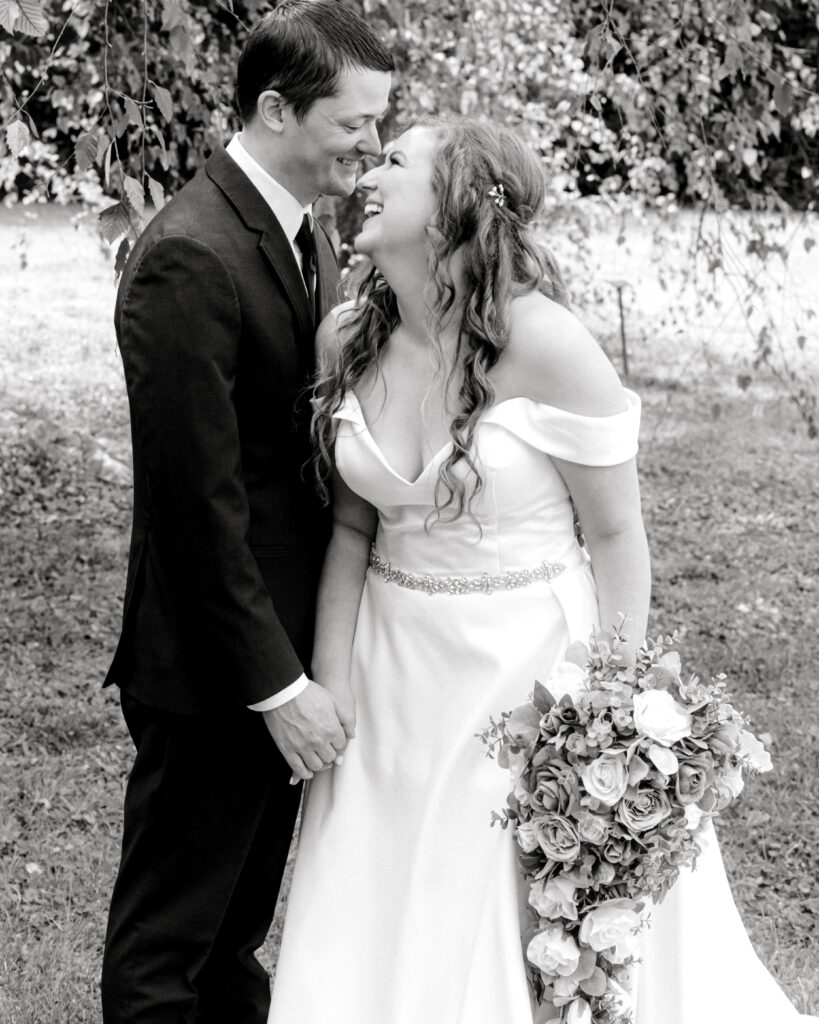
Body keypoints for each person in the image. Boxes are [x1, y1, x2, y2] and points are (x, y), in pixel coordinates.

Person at [267, 117, 818, 1023]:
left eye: (394, 161)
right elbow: (351, 529)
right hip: (391, 666)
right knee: (383, 892)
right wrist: (333, 680)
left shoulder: (547, 344)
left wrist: (607, 714)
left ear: (452, 204)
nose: (365, 174)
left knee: (518, 898)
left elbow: (617, 535)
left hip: (528, 673)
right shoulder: (346, 338)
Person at [99, 4, 392, 1022]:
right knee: (170, 949)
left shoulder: (303, 229)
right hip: (216, 672)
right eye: (354, 121)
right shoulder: (190, 253)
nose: (373, 142)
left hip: (278, 649)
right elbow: (196, 506)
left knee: (232, 942)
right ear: (275, 109)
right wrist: (277, 687)